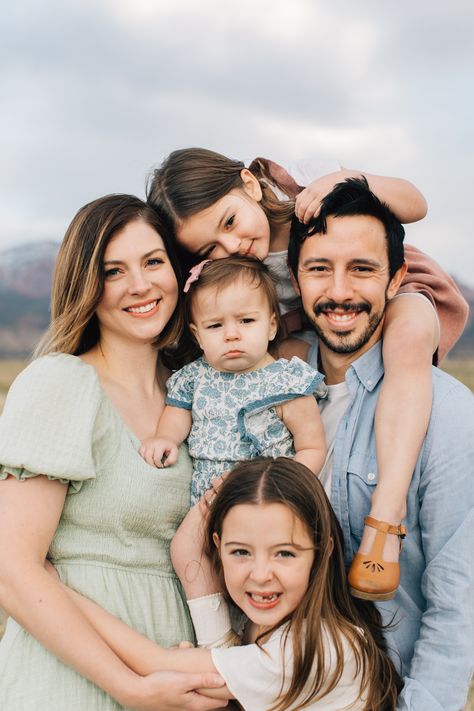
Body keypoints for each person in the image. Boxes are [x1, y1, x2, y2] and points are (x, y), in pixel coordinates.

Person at [146, 147, 468, 601]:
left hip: (389, 285)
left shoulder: (301, 183)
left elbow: (415, 203)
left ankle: (386, 516)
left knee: (410, 336)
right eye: (210, 249)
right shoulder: (239, 272)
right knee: (280, 377)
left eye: (231, 222)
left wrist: (351, 180)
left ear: (250, 184)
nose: (231, 247)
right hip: (313, 323)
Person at [0, 194, 227, 710]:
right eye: (113, 271)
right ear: (86, 285)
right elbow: (12, 573)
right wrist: (131, 687)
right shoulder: (62, 383)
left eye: (153, 262)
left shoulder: (192, 395)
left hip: (179, 674)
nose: (141, 285)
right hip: (74, 682)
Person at [285, 176, 474, 711]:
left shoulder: (448, 414)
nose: (340, 292)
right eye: (320, 269)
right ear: (296, 280)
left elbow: (456, 607)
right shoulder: (267, 398)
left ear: (396, 280)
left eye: (362, 269)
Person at [45, 457, 403, 711]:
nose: (260, 574)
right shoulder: (256, 631)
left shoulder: (322, 647)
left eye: (285, 554)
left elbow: (152, 663)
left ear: (322, 551)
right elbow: (189, 554)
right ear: (217, 545)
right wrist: (223, 492)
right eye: (241, 552)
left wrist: (53, 590)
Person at [140, 256, 327, 504]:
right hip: (208, 502)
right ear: (198, 336)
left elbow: (312, 448)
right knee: (182, 545)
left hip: (269, 501)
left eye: (246, 321)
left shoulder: (286, 382)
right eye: (215, 325)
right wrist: (166, 438)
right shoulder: (194, 377)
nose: (231, 335)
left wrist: (279, 486)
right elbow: (178, 413)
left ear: (271, 326)